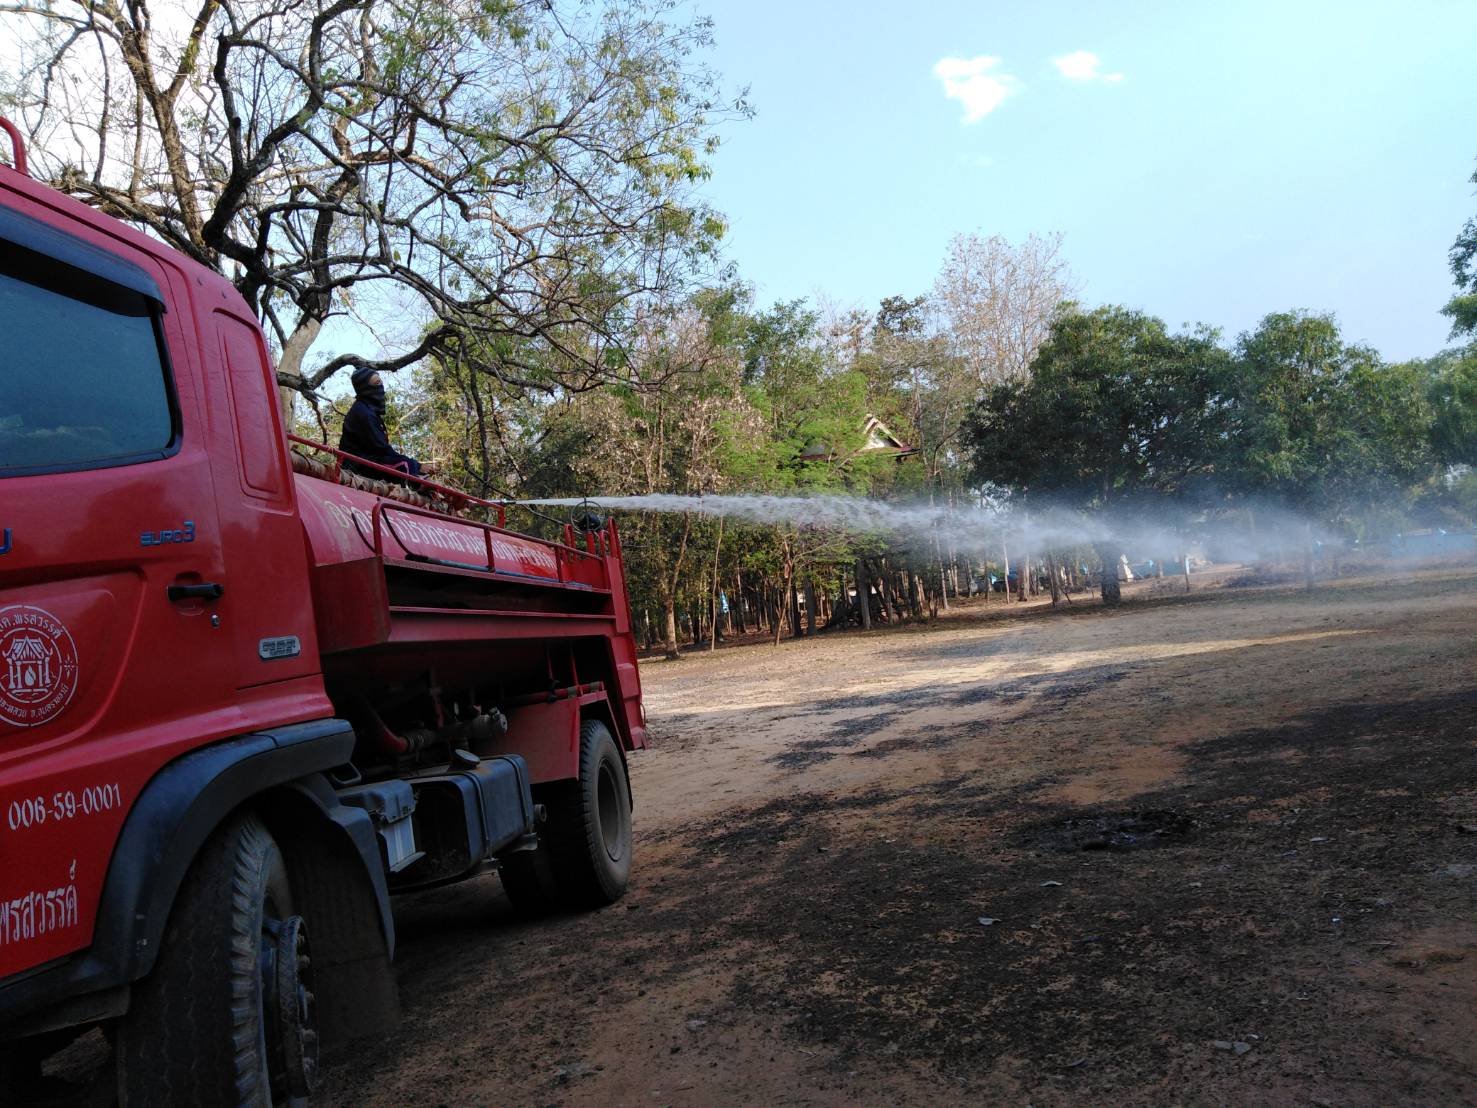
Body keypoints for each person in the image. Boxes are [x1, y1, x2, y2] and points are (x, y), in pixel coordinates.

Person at [338, 367, 428, 481]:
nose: (381, 387)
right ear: (365, 388)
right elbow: (381, 449)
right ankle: (419, 484)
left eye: (381, 382)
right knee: (405, 465)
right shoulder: (364, 413)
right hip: (356, 465)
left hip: (367, 461)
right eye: (377, 383)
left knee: (405, 464)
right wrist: (417, 466)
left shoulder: (368, 410)